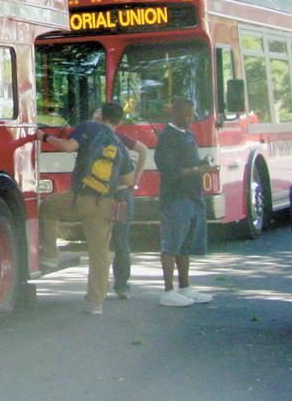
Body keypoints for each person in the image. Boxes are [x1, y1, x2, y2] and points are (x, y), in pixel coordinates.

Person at [38, 101, 135, 315]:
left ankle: (50, 255)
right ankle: (95, 302)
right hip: (105, 203)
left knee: (47, 207)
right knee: (99, 252)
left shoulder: (89, 128)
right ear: (119, 121)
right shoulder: (119, 144)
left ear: (100, 116)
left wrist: (44, 137)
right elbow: (128, 179)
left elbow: (66, 147)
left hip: (79, 199)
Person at [153, 97, 214, 307]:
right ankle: (168, 290)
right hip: (175, 197)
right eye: (186, 115)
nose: (190, 119)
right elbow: (168, 170)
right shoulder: (166, 137)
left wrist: (202, 164)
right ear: (175, 114)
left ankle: (185, 286)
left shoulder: (189, 135)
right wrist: (199, 170)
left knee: (186, 245)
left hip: (193, 196)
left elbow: (191, 163)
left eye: (192, 114)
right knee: (171, 244)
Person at [111, 130, 149, 300]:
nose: (99, 123)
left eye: (101, 119)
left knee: (120, 240)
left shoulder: (119, 137)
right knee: (99, 243)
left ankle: (121, 285)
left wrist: (135, 181)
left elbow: (143, 149)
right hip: (98, 197)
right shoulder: (90, 135)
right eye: (96, 119)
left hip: (119, 196)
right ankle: (96, 288)